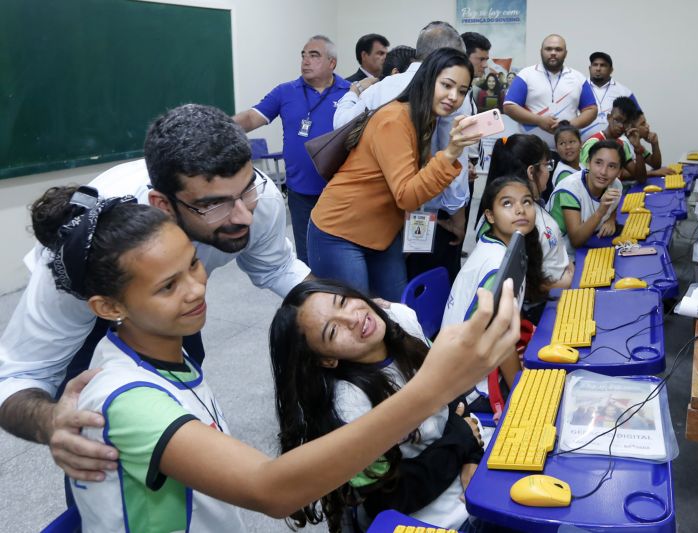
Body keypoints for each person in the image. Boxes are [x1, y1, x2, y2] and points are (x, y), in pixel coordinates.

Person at [28, 186, 519, 531]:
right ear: (109, 308)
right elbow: (271, 489)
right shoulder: (126, 397)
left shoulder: (161, 358)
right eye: (168, 286)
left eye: (194, 265)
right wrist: (431, 387)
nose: (197, 289)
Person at [0, 104, 310, 482]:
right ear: (162, 205)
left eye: (246, 191)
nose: (243, 215)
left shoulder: (253, 199)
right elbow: (20, 374)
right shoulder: (89, 250)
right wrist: (52, 422)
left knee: (182, 384)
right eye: (213, 205)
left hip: (161, 298)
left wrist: (338, 299)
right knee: (102, 426)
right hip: (88, 296)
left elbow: (276, 266)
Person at [271, 279, 484, 531]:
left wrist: (471, 453)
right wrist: (462, 437)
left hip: (462, 474)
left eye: (343, 301)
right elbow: (389, 497)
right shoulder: (348, 407)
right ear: (327, 360)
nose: (352, 318)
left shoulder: (400, 320)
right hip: (427, 516)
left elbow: (451, 392)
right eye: (333, 331)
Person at [308, 48, 479, 301]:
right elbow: (407, 195)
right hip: (340, 231)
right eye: (447, 85)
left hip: (382, 233)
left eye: (462, 91)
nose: (454, 97)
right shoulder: (395, 119)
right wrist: (451, 153)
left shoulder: (423, 118)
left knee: (398, 314)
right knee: (357, 316)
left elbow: (411, 179)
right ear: (428, 78)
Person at [233, 35, 350, 264]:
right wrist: (213, 126)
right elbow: (250, 118)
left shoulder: (350, 92)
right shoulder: (285, 92)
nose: (306, 61)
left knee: (340, 254)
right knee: (306, 256)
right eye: (303, 55)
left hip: (339, 191)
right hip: (300, 192)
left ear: (331, 63)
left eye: (314, 55)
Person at [442, 176, 544, 413]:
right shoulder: (498, 265)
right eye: (507, 204)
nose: (520, 209)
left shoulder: (495, 244)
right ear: (489, 215)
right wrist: (522, 396)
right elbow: (500, 339)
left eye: (527, 202)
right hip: (469, 387)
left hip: (470, 363)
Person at [481, 134, 573, 292]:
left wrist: (567, 264)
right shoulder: (517, 220)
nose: (548, 172)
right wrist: (562, 283)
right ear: (531, 172)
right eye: (546, 165)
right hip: (543, 302)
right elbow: (515, 282)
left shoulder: (535, 204)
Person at [503, 34, 597, 148]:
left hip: (567, 151)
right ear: (541, 51)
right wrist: (539, 121)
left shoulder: (578, 78)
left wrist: (568, 126)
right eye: (548, 49)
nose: (553, 52)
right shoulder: (526, 75)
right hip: (531, 149)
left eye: (558, 49)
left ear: (565, 53)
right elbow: (509, 106)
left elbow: (591, 109)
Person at [547, 140, 625, 257]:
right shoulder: (571, 189)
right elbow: (576, 241)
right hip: (560, 254)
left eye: (612, 166)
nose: (603, 172)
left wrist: (611, 219)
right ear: (588, 163)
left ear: (619, 172)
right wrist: (600, 211)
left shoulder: (616, 185)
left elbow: (613, 206)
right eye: (598, 163)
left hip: (587, 243)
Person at [579, 96, 647, 182]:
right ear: (609, 117)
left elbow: (641, 178)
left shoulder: (622, 144)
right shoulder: (593, 144)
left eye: (626, 123)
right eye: (617, 120)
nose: (621, 126)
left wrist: (637, 148)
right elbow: (584, 179)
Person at [581, 51, 640, 139]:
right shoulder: (579, 88)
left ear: (611, 70)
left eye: (603, 65)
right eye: (595, 65)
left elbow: (638, 119)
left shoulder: (624, 92)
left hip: (615, 147)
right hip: (583, 147)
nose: (598, 68)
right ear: (589, 68)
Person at [631, 109, 673, 176]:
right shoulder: (624, 144)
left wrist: (655, 144)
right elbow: (628, 175)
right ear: (632, 128)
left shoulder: (639, 145)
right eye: (643, 123)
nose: (647, 126)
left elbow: (656, 165)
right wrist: (655, 173)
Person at [553, 121, 582, 187]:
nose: (568, 147)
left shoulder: (581, 166)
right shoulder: (564, 175)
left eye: (571, 142)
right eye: (562, 143)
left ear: (580, 143)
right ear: (556, 148)